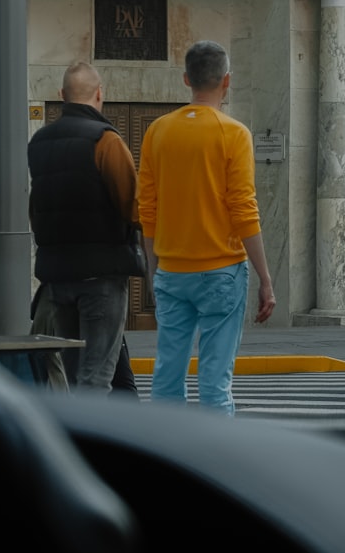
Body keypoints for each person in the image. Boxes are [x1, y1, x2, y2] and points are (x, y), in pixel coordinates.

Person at [137, 40, 276, 415]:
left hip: (171, 270)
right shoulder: (234, 134)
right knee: (215, 381)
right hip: (221, 271)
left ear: (186, 79)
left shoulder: (157, 132)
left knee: (167, 377)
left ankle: (167, 459)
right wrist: (265, 278)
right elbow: (244, 210)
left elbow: (146, 209)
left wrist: (154, 267)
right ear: (226, 81)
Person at [27, 61, 144, 395]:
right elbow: (131, 205)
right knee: (96, 376)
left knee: (74, 374)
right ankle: (91, 443)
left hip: (57, 277)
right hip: (101, 278)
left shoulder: (39, 142)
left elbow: (36, 208)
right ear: (100, 94)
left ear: (62, 95)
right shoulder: (106, 141)